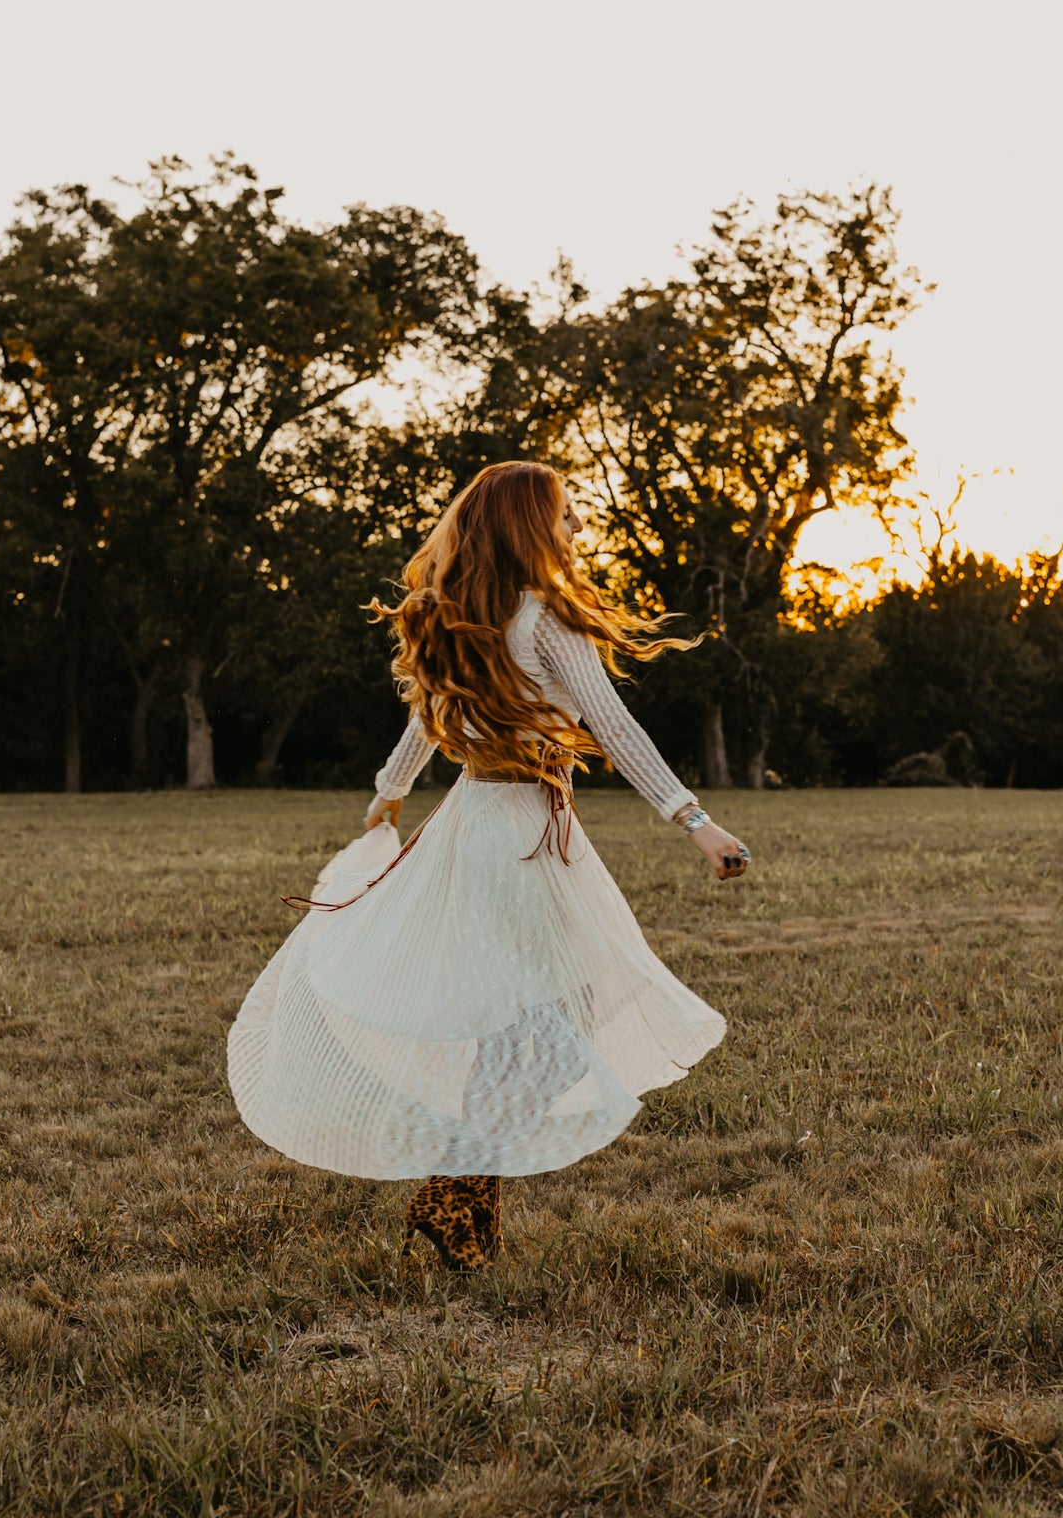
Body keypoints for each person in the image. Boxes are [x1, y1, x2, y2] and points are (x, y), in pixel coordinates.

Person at [228, 461, 749, 1270]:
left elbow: (423, 724)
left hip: (478, 825)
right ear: (526, 527)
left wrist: (389, 795)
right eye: (566, 515)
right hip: (518, 834)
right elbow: (612, 725)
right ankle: (455, 1189)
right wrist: (694, 820)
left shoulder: (464, 616)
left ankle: (465, 1207)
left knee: (530, 1022)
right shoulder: (540, 618)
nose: (577, 528)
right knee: (555, 1022)